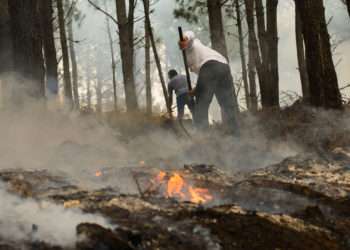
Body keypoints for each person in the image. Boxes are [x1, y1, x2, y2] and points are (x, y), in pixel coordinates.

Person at [179, 31, 239, 134]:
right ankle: (235, 134)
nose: (191, 70)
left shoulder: (189, 48)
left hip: (209, 65)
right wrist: (196, 90)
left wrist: (184, 39)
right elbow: (206, 81)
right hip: (223, 66)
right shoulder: (198, 56)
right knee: (227, 103)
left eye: (191, 68)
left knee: (201, 104)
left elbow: (190, 34)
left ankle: (204, 136)